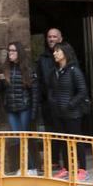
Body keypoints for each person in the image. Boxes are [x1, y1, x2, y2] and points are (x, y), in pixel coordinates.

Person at [0, 41, 39, 175]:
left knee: (24, 137)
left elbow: (34, 92)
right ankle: (26, 167)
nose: (10, 53)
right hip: (11, 109)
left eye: (13, 51)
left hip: (24, 108)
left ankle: (31, 168)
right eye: (9, 51)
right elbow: (1, 90)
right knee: (18, 138)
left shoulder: (28, 69)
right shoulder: (5, 69)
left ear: (19, 53)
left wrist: (34, 111)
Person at [48, 42, 89, 181]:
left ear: (65, 53)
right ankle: (66, 168)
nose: (54, 53)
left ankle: (82, 169)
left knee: (77, 140)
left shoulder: (74, 70)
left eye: (57, 51)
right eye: (54, 51)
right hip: (59, 113)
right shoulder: (55, 72)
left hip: (73, 113)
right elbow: (52, 90)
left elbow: (82, 91)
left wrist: (70, 104)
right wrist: (53, 102)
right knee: (63, 142)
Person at [36, 28, 64, 168]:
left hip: (64, 100)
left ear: (60, 38)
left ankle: (71, 162)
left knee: (65, 132)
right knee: (51, 131)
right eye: (49, 37)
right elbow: (40, 80)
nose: (51, 39)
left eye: (54, 36)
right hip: (48, 101)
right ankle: (53, 160)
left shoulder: (66, 55)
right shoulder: (43, 58)